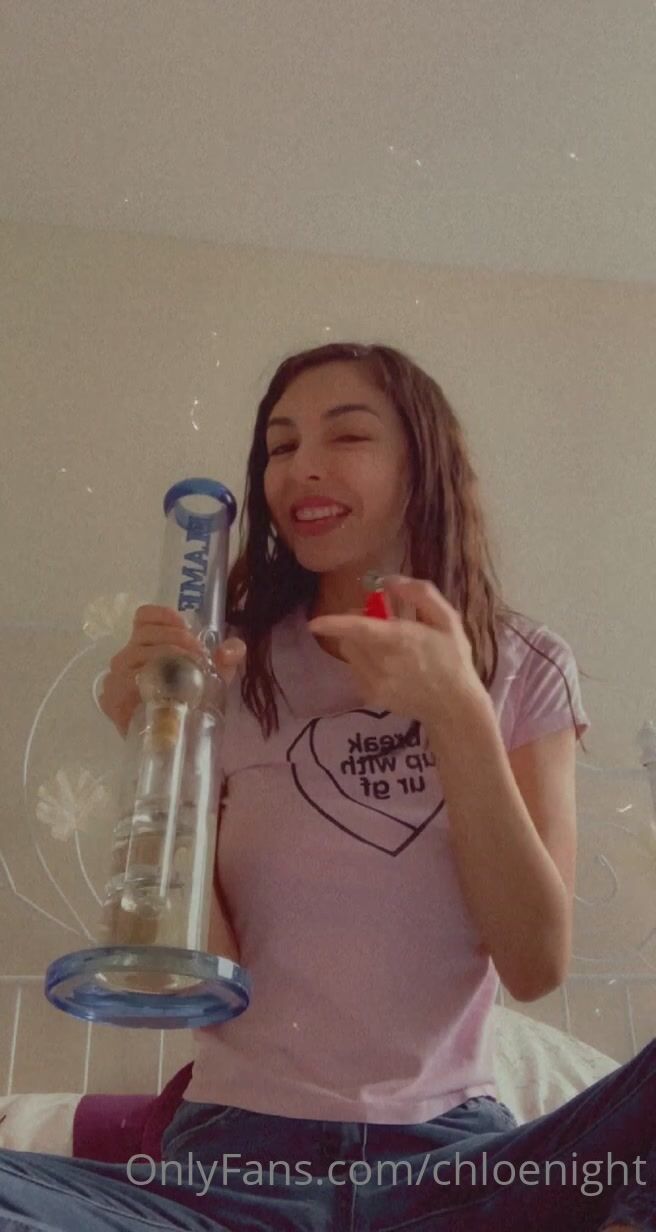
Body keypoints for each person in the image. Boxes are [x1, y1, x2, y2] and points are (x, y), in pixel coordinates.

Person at [1, 341, 653, 1232]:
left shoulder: (522, 666)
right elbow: (197, 976)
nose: (301, 467)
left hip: (454, 1171)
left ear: (422, 462)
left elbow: (536, 964)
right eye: (280, 445)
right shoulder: (228, 666)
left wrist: (459, 711)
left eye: (346, 435)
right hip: (231, 1166)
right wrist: (164, 746)